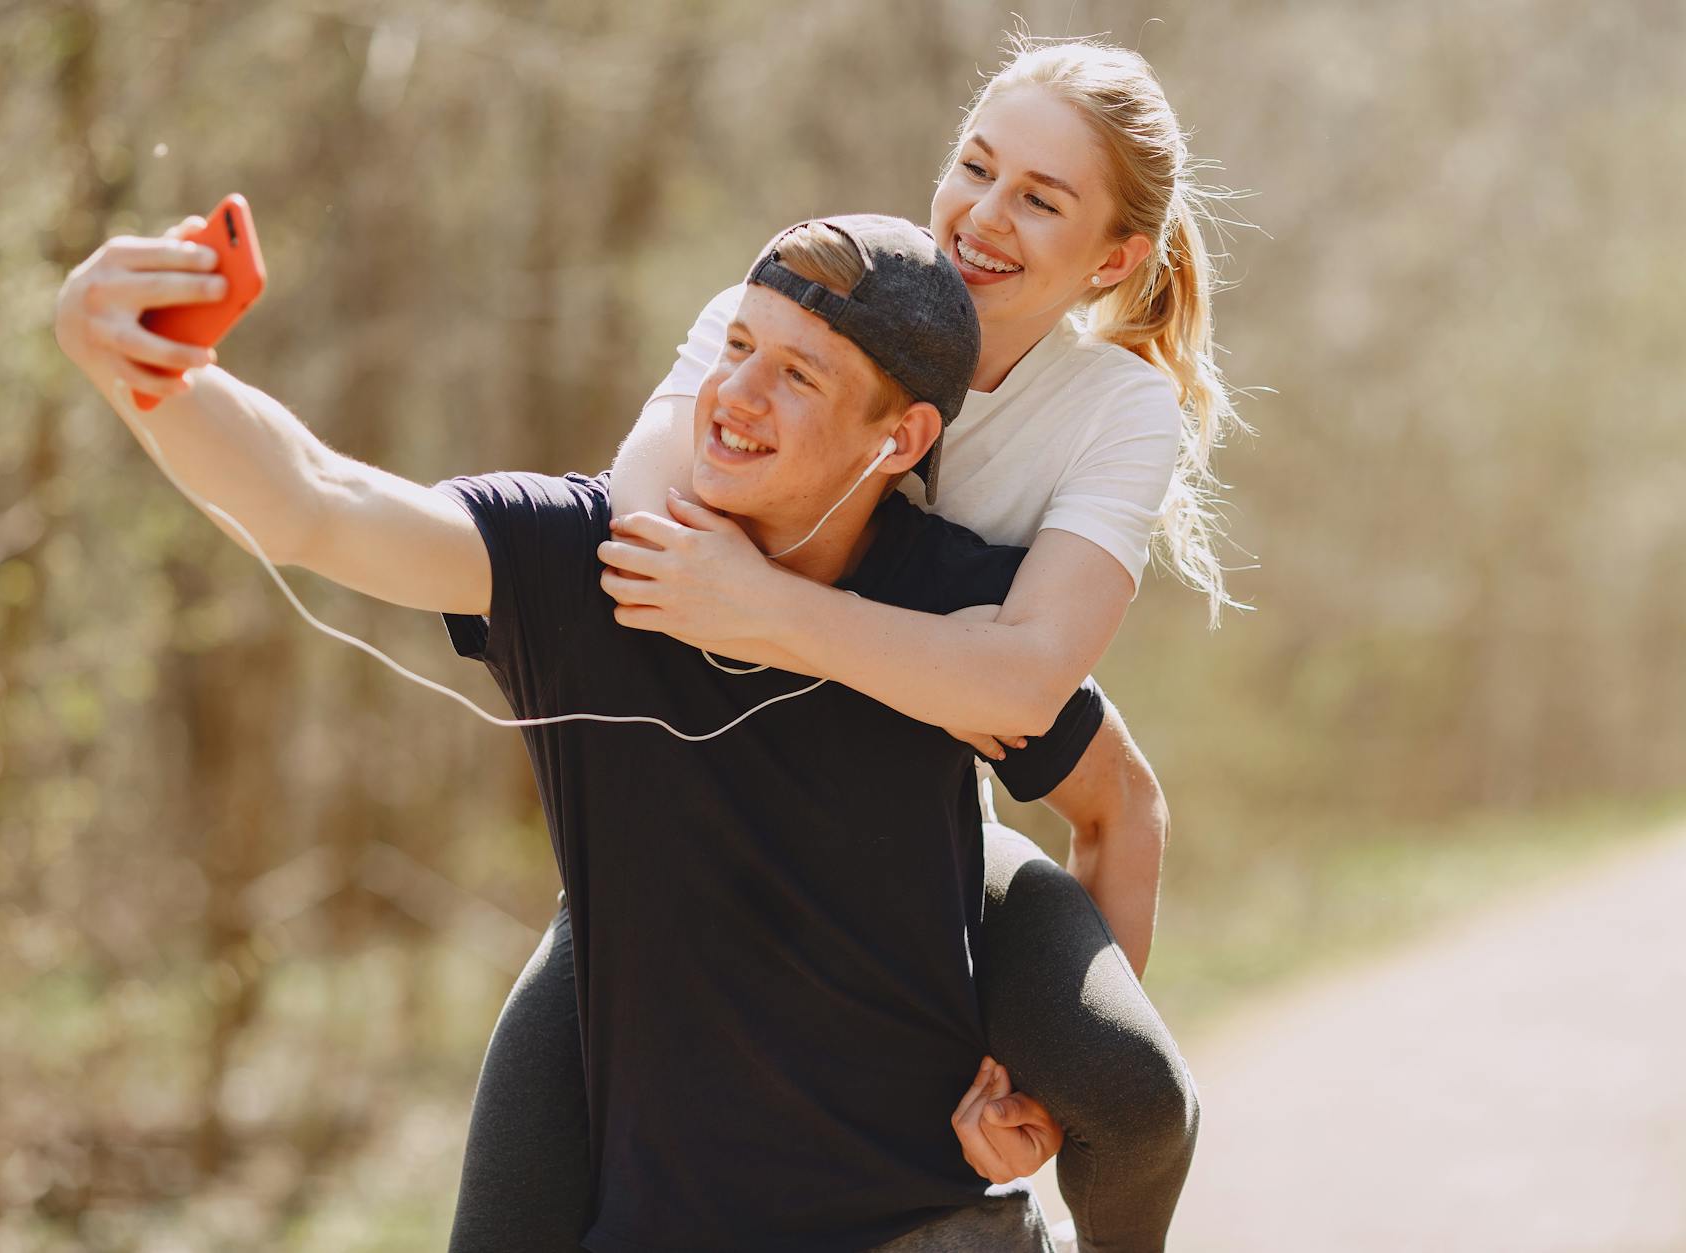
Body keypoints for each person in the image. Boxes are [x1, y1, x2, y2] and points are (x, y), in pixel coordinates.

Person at [460, 35, 1233, 1253]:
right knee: (508, 1208)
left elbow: (1031, 681)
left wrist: (1025, 1085)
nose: (984, 215)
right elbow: (645, 535)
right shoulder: (790, 309)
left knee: (1134, 1102)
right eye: (974, 167)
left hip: (912, 823)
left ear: (1114, 258)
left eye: (1040, 199)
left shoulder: (1114, 408)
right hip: (686, 831)